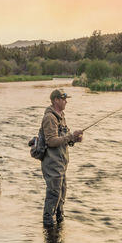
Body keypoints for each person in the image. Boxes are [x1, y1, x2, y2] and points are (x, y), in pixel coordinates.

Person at [39, 88, 84, 227]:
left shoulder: (61, 116)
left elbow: (64, 139)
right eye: (63, 99)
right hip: (52, 163)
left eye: (66, 99)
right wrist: (70, 136)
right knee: (54, 195)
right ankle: (48, 227)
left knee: (61, 194)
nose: (66, 102)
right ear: (55, 100)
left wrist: (75, 139)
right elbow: (51, 141)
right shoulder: (49, 118)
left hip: (61, 164)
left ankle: (58, 225)